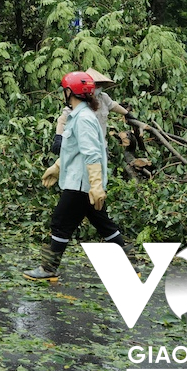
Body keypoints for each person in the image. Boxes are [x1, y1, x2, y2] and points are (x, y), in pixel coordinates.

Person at [24, 71, 136, 282]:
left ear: (68, 92)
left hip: (82, 183)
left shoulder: (83, 118)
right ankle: (130, 262)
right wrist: (57, 167)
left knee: (60, 221)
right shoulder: (80, 115)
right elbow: (75, 150)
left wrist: (95, 185)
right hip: (81, 179)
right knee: (103, 223)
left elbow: (91, 153)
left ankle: (49, 268)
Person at [50, 68, 140, 157]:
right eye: (95, 85)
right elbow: (62, 120)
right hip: (82, 149)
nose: (97, 88)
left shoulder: (103, 98)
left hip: (101, 146)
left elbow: (113, 106)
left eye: (99, 85)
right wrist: (59, 137)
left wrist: (127, 114)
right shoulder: (78, 102)